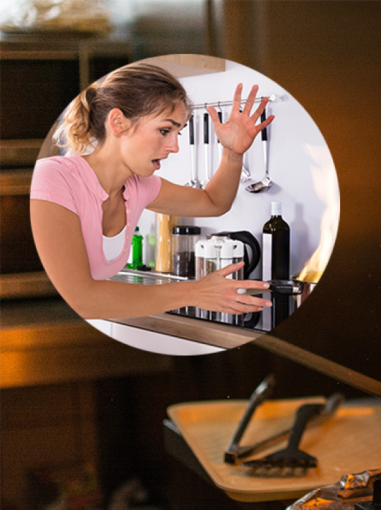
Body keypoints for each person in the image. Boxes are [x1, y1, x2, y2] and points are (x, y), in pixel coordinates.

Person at [30, 62, 273, 320]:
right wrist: (195, 292)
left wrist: (233, 153)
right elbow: (81, 299)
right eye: (164, 130)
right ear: (118, 123)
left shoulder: (137, 187)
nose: (174, 147)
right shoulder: (54, 177)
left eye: (178, 133)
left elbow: (214, 202)